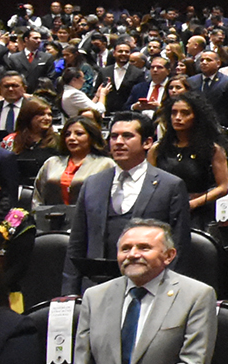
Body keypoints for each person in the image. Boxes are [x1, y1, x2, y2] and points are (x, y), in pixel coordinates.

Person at [68, 220, 218, 364]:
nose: (132, 254)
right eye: (125, 249)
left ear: (169, 256)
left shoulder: (196, 295)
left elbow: (193, 363)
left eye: (144, 248)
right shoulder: (94, 296)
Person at [63, 115, 191, 294]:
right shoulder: (93, 183)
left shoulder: (170, 186)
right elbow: (77, 243)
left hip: (151, 286)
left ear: (147, 142)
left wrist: (169, 292)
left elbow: (179, 245)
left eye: (127, 136)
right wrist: (69, 293)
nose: (118, 142)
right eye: (114, 136)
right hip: (97, 287)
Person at [150, 92, 228, 218]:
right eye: (174, 113)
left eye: (185, 113)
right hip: (163, 209)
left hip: (198, 211)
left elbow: (223, 187)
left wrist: (193, 204)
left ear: (197, 117)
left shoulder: (212, 150)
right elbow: (149, 183)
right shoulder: (157, 149)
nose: (178, 117)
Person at [32, 114, 108, 208]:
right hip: (51, 215)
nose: (71, 138)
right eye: (67, 134)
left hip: (90, 215)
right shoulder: (52, 162)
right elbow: (37, 197)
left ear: (91, 137)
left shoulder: (105, 164)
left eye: (79, 134)